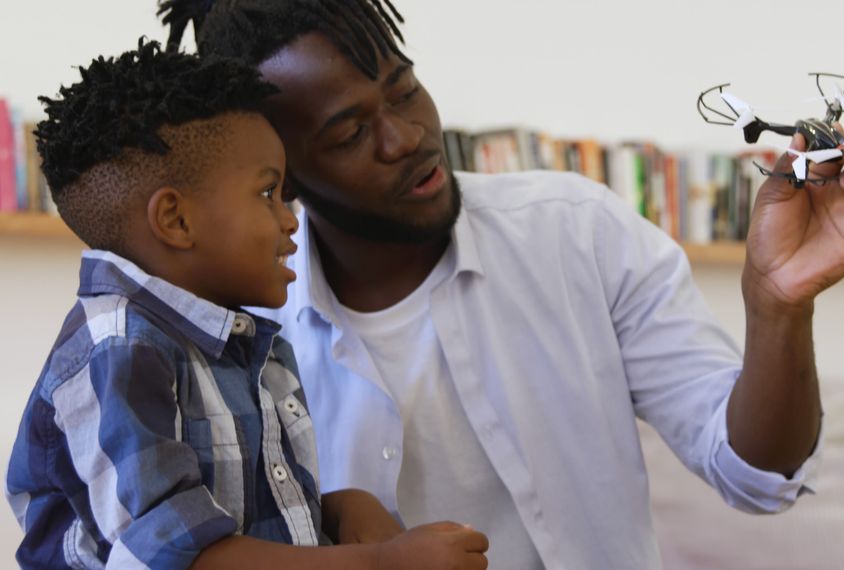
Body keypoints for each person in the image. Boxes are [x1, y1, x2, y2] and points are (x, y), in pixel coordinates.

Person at [160, 1, 844, 568]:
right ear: (282, 172)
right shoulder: (237, 335)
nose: (407, 136)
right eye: (350, 134)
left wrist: (776, 307)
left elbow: (759, 477)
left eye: (405, 90)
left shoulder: (578, 232)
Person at [4, 40, 489, 570]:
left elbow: (233, 521)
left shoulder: (247, 345)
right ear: (176, 221)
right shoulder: (119, 351)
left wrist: (336, 510)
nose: (290, 219)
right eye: (268, 194)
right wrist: (380, 563)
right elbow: (184, 560)